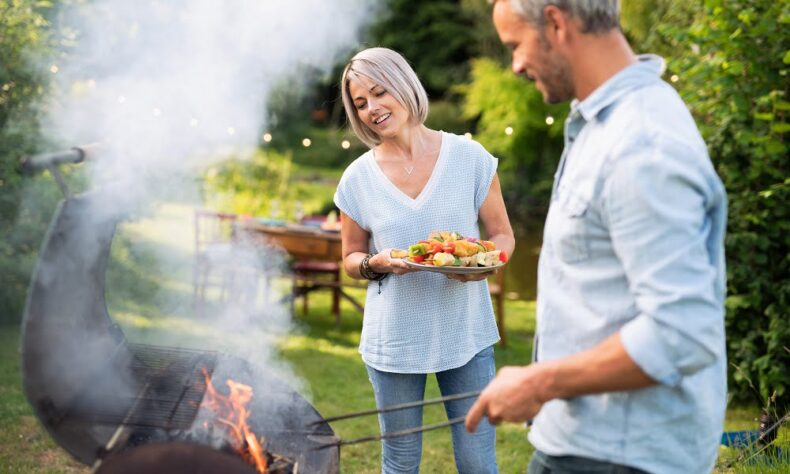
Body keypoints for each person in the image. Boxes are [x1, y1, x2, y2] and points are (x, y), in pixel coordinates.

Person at [465, 2, 728, 473]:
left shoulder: (640, 144)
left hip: (619, 456)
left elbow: (681, 332)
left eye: (515, 44)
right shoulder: (603, 124)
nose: (516, 65)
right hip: (587, 442)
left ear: (557, 22)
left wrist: (539, 382)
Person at [334, 47, 515, 473]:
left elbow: (502, 234)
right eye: (360, 103)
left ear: (405, 86)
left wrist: (489, 263)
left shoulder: (470, 158)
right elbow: (349, 258)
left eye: (379, 93)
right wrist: (374, 262)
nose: (371, 109)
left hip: (466, 333)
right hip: (393, 339)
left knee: (477, 461)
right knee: (399, 463)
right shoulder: (358, 178)